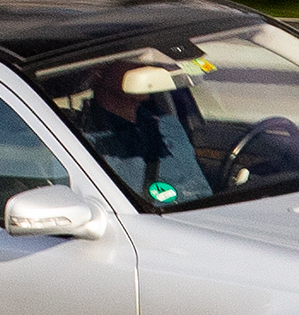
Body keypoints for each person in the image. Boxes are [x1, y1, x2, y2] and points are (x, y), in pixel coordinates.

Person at [73, 59, 212, 206]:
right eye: (134, 61)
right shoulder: (84, 139)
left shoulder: (167, 124)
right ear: (98, 70)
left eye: (150, 62)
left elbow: (200, 188)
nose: (147, 67)